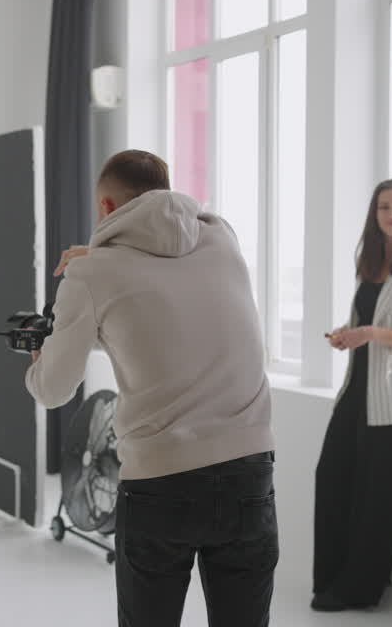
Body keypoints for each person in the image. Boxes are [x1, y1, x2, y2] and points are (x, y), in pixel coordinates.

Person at [27, 150, 277, 627]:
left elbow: (55, 390)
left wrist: (39, 357)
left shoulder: (89, 274)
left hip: (162, 482)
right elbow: (170, 272)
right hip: (250, 473)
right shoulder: (223, 238)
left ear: (104, 207)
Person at [311, 177, 392, 611]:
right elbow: (365, 321)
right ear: (375, 214)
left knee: (376, 499)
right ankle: (329, 578)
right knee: (331, 478)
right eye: (385, 207)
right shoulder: (368, 264)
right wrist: (349, 335)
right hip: (357, 389)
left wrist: (372, 333)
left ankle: (358, 591)